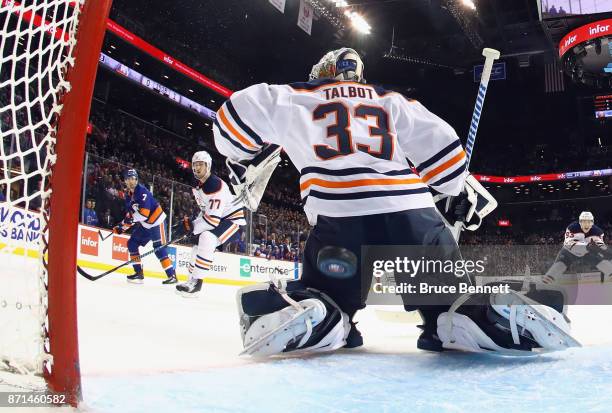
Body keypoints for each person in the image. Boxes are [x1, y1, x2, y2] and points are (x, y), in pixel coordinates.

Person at [214, 48, 576, 357]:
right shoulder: (392, 100)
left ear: (322, 72)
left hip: (340, 221)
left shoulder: (293, 95)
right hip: (412, 215)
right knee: (447, 297)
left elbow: (230, 125)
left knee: (329, 293)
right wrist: (449, 189)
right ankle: (467, 316)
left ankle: (323, 315)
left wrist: (243, 153)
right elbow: (448, 165)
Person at [176, 151, 246, 296]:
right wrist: (190, 227)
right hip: (218, 220)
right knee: (196, 248)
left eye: (200, 164)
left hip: (233, 221)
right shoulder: (198, 185)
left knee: (206, 237)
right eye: (194, 165)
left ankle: (196, 284)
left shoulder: (215, 185)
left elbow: (212, 220)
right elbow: (206, 211)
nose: (196, 168)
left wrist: (191, 226)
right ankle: (190, 281)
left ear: (208, 166)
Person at [114, 169, 177, 285]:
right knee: (132, 244)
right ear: (125, 181)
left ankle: (172, 275)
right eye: (128, 179)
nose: (131, 181)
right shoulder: (128, 196)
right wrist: (121, 227)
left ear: (136, 179)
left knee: (158, 248)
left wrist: (130, 219)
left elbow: (144, 214)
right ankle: (138, 273)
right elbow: (130, 215)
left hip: (157, 221)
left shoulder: (142, 192)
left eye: (133, 178)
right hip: (146, 224)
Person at [544, 211, 611, 284]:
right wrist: (586, 247)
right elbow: (568, 244)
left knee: (601, 262)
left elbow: (600, 244)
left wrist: (605, 250)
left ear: (592, 222)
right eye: (584, 221)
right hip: (569, 252)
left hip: (587, 252)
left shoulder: (597, 231)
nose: (586, 224)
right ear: (580, 221)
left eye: (589, 222)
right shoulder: (572, 228)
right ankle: (549, 277)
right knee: (560, 265)